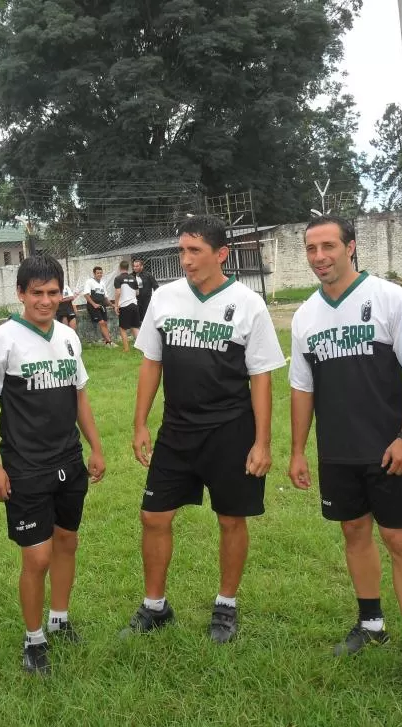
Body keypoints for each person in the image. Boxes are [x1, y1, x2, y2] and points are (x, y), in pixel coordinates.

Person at [287, 215, 402, 701]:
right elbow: (301, 388)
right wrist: (297, 451)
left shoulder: (390, 298)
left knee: (399, 539)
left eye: (328, 246)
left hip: (388, 449)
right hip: (338, 454)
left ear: (351, 247)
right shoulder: (306, 315)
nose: (319, 257)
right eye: (311, 249)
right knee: (354, 533)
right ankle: (371, 622)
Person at [124, 214, 285, 643]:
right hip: (176, 430)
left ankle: (226, 606)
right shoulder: (165, 297)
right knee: (153, 516)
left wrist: (262, 442)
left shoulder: (248, 304)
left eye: (195, 250)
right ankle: (155, 606)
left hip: (230, 429)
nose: (186, 259)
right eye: (182, 250)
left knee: (231, 519)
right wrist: (141, 422)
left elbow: (262, 376)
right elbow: (151, 362)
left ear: (221, 254)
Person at [0, 254, 106, 675]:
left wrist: (95, 448)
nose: (46, 301)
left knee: (67, 542)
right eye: (37, 293)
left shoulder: (69, 338)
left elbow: (79, 395)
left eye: (52, 292)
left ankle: (59, 619)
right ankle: (33, 640)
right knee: (38, 558)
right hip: (26, 466)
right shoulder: (1, 341)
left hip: (69, 459)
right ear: (20, 294)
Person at [82, 266, 114, 345]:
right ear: (94, 274)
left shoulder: (102, 283)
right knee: (102, 323)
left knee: (105, 323)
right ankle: (109, 342)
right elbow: (86, 294)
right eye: (98, 273)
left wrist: (113, 305)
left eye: (101, 273)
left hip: (102, 306)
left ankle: (106, 341)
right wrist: (94, 304)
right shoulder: (89, 282)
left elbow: (105, 298)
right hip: (93, 306)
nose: (99, 274)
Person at [113, 260, 141, 352]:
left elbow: (118, 292)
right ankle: (141, 348)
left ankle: (126, 349)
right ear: (128, 268)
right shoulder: (133, 278)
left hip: (125, 305)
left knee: (122, 328)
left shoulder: (118, 278)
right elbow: (137, 292)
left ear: (120, 268)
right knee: (135, 327)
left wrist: (116, 305)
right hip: (134, 305)